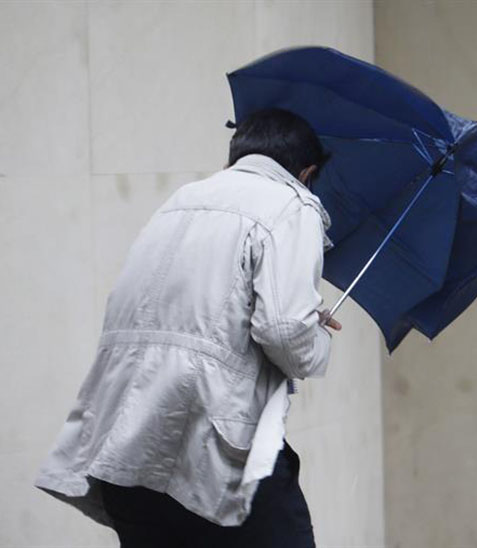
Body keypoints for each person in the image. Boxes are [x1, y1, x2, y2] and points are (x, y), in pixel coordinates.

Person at [33, 107, 341, 547]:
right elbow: (284, 332)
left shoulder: (178, 202)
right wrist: (319, 338)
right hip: (215, 459)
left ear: (234, 157)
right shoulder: (292, 205)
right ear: (307, 173)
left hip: (127, 444)